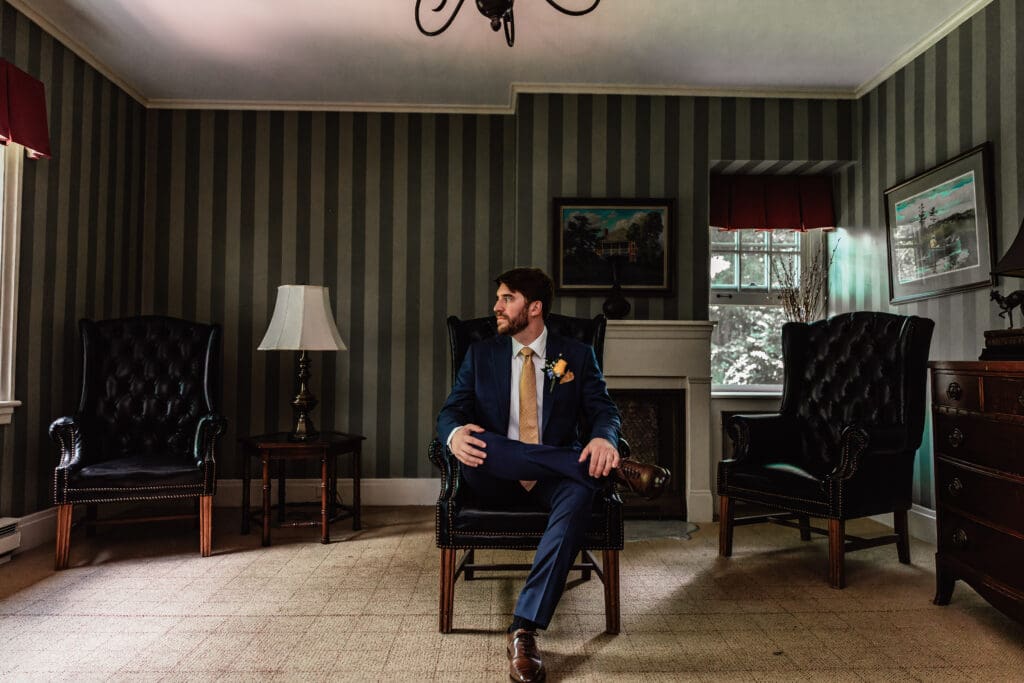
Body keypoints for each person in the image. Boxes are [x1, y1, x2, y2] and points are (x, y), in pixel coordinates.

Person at [437, 267, 670, 683]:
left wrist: (604, 441)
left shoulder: (576, 355)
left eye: (507, 298)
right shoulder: (483, 354)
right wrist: (453, 435)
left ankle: (524, 628)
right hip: (495, 472)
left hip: (550, 483)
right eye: (499, 298)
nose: (496, 306)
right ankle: (606, 470)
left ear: (535, 307)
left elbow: (604, 411)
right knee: (487, 443)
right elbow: (452, 410)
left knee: (579, 491)